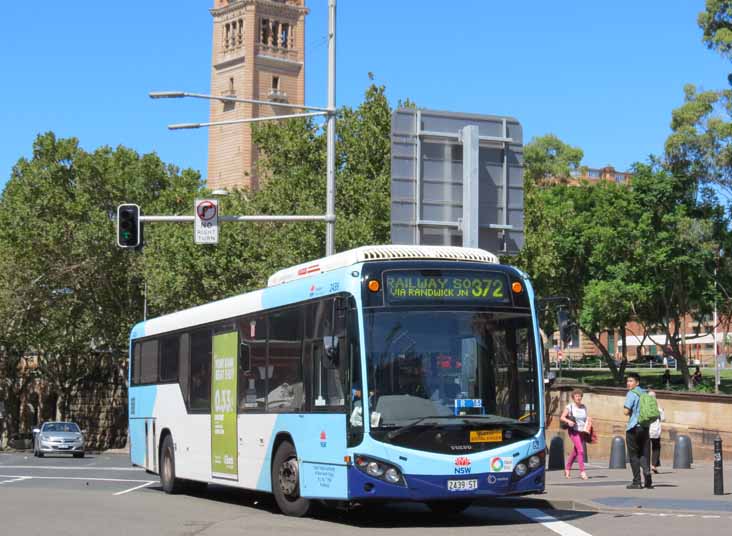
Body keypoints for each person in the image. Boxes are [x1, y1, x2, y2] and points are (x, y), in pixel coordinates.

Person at [624, 372, 652, 489]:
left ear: (637, 382)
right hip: (645, 427)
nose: (628, 383)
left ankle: (636, 481)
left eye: (631, 381)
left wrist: (630, 412)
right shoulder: (644, 393)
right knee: (643, 453)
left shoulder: (632, 393)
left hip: (634, 427)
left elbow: (626, 411)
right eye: (628, 381)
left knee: (633, 455)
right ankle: (647, 473)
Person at [560, 388, 590, 480]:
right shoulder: (570, 407)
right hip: (573, 431)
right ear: (573, 397)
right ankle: (582, 472)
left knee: (575, 452)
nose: (578, 397)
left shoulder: (584, 407)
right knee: (580, 450)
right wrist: (569, 421)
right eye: (576, 396)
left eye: (580, 396)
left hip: (582, 431)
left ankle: (567, 468)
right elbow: (562, 417)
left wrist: (588, 423)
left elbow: (585, 418)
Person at [648, 390, 665, 474]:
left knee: (645, 448)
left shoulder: (645, 407)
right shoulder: (658, 408)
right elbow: (664, 419)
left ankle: (646, 465)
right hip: (655, 431)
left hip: (646, 430)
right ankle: (654, 465)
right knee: (656, 448)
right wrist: (662, 410)